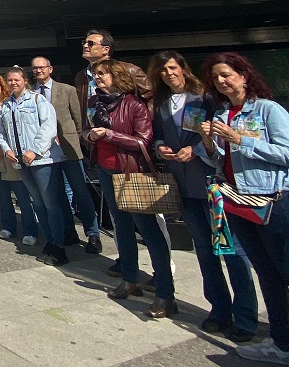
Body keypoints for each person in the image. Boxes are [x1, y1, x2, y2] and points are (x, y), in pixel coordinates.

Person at [148, 51, 257, 342]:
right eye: (162, 71)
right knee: (204, 251)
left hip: (211, 183)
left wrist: (194, 149)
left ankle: (245, 317)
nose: (168, 74)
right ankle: (219, 310)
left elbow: (215, 133)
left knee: (230, 250)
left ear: (183, 69)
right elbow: (158, 133)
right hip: (184, 187)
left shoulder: (205, 97)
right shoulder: (160, 103)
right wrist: (160, 147)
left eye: (172, 68)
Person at [200, 52, 289, 363]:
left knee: (283, 270)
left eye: (226, 74)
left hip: (272, 201)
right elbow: (218, 160)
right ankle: (280, 342)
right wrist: (209, 143)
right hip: (237, 201)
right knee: (266, 273)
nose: (221, 82)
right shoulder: (222, 115)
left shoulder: (268, 110)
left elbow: (286, 152)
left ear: (244, 75)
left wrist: (240, 139)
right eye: (215, 78)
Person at [83, 59, 175, 316]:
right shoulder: (95, 103)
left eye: (103, 74)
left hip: (131, 173)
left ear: (118, 77)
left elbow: (144, 141)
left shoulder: (133, 104)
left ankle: (165, 293)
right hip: (105, 168)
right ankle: (129, 279)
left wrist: (110, 135)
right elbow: (88, 131)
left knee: (147, 229)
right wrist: (89, 136)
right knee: (120, 226)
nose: (98, 77)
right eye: (96, 74)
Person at [0, 66, 68, 265]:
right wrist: (7, 150)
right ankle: (50, 241)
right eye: (9, 80)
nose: (13, 83)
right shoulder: (6, 105)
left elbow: (48, 127)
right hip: (20, 162)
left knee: (50, 203)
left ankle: (59, 246)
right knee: (37, 203)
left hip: (42, 160)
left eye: (16, 80)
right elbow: (2, 132)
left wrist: (34, 151)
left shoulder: (38, 100)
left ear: (25, 81)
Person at [31, 56, 102, 254]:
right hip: (47, 152)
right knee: (58, 194)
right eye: (35, 68)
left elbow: (78, 120)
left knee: (80, 191)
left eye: (42, 67)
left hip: (69, 148)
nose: (38, 71)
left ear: (50, 69)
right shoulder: (31, 94)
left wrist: (75, 137)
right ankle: (68, 231)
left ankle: (92, 233)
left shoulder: (68, 90)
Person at [0, 73, 38, 245]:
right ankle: (8, 227)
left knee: (22, 195)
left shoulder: (10, 102)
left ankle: (30, 231)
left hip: (12, 155)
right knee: (3, 195)